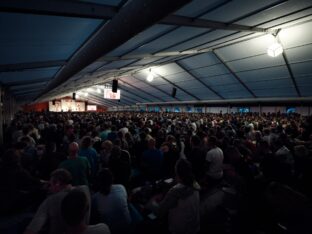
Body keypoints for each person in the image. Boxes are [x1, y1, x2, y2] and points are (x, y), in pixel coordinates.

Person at [24, 169, 91, 234]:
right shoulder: (85, 190)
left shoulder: (51, 201)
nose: (49, 188)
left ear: (57, 183)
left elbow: (33, 228)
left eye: (50, 185)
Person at [148, 159, 200, 234]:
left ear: (177, 173)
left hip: (180, 229)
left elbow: (159, 211)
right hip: (194, 226)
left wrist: (152, 202)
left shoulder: (175, 191)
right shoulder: (195, 183)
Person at [92, 169, 131, 234]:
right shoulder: (121, 187)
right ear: (112, 179)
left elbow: (95, 215)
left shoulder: (95, 198)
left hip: (111, 230)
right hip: (127, 225)